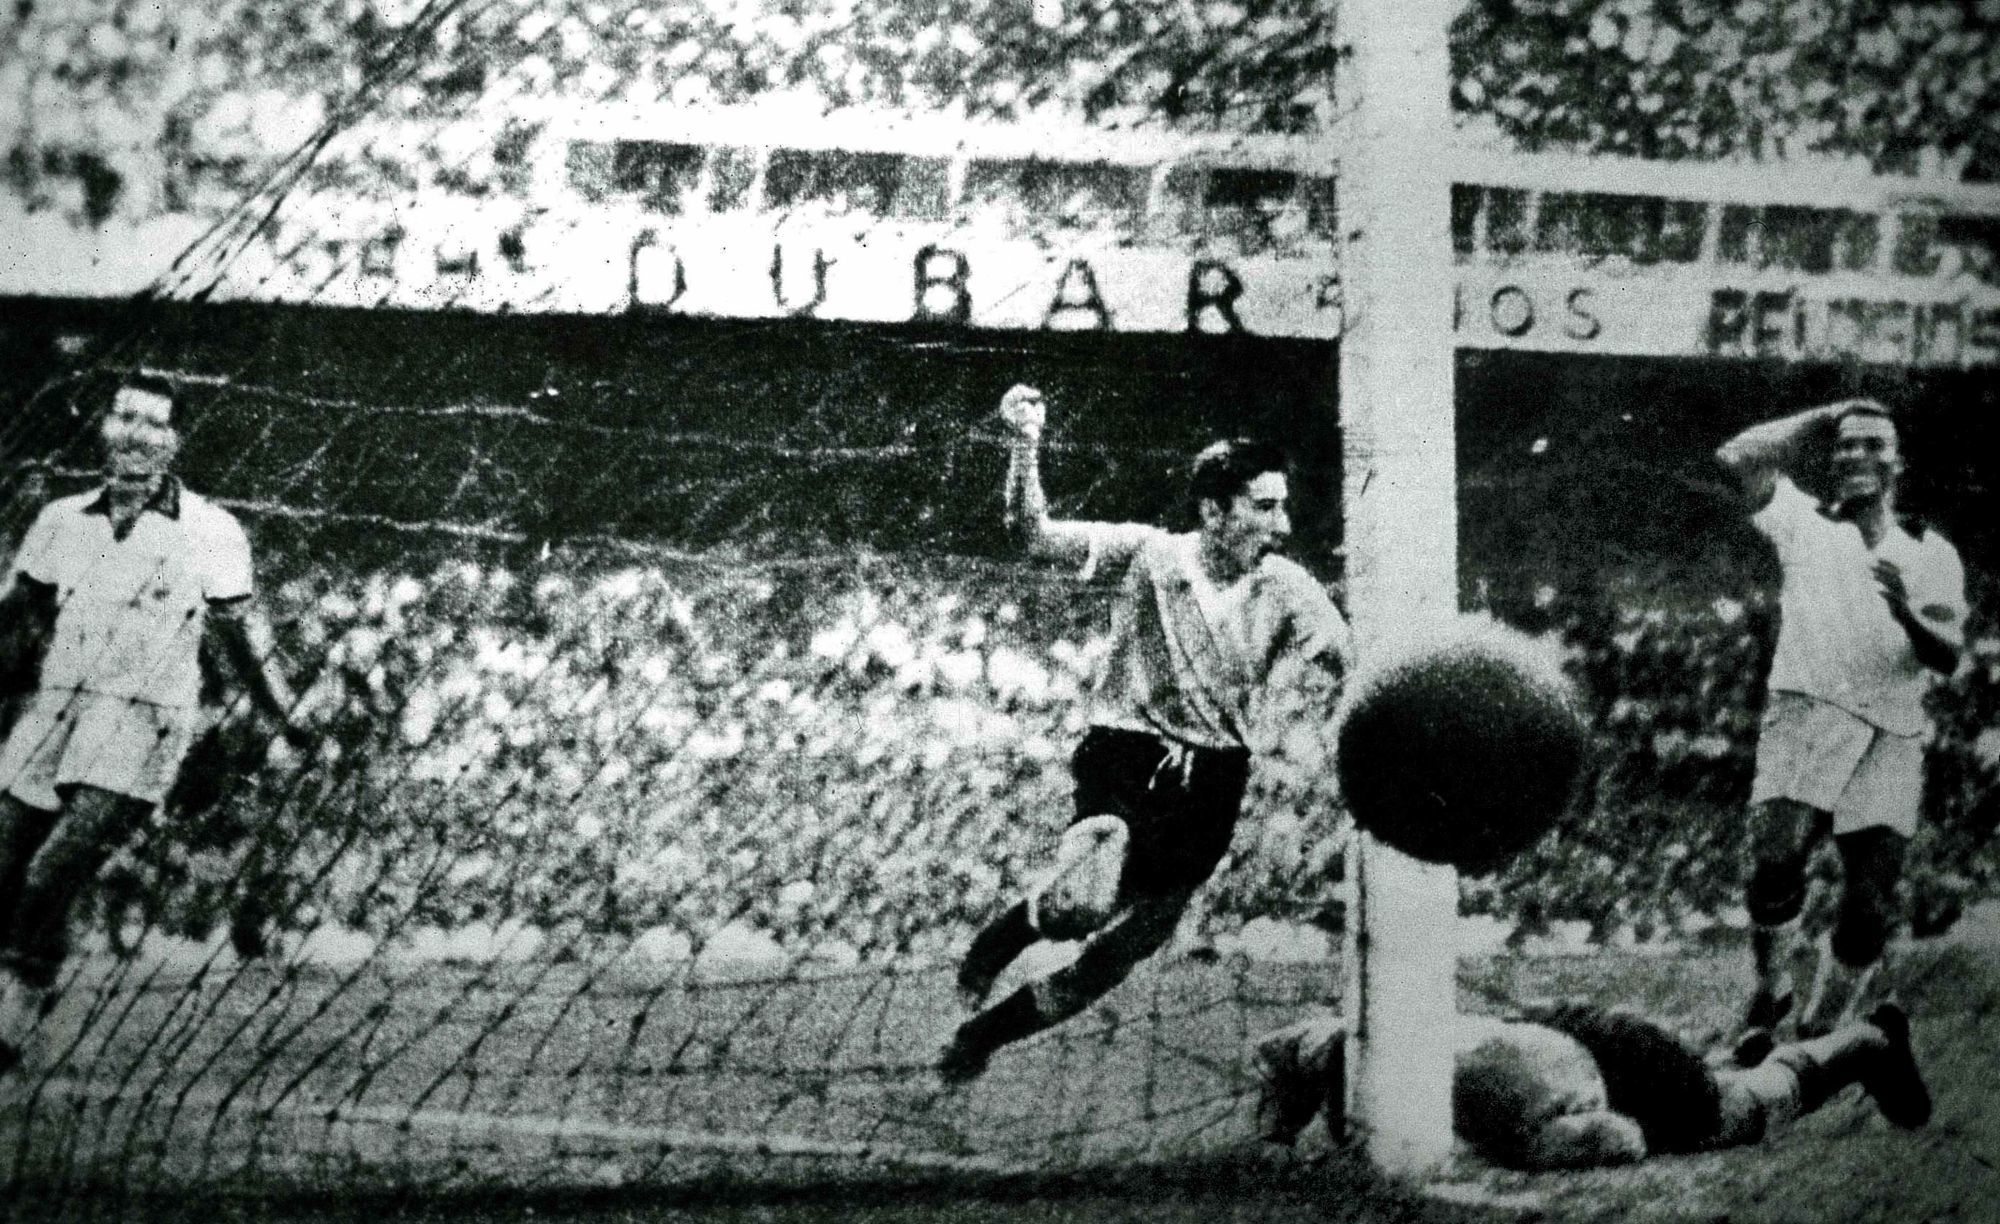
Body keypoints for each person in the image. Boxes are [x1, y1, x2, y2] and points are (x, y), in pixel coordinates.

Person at [938, 384, 1352, 1084]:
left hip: (1217, 779)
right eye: (1264, 507)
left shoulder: (1286, 585)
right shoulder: (1150, 556)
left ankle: (984, 1034)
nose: (1281, 525)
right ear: (1214, 510)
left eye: (1284, 506)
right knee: (1082, 903)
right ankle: (999, 943)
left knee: (1120, 953)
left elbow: (1344, 655)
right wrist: (1024, 444)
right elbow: (1034, 535)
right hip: (1129, 754)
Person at [0, 378, 307, 1072]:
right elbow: (18, 608)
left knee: (54, 868)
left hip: (142, 721)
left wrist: (279, 714)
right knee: (5, 860)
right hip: (57, 708)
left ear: (174, 441)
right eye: (127, 417)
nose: (138, 433)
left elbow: (241, 632)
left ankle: (14, 1012)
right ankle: (29, 983)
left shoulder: (210, 530)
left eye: (155, 424)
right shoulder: (60, 519)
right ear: (105, 427)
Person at [1713, 399, 1966, 1050]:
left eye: (1873, 445)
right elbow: (1738, 455)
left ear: (1897, 463)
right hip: (1809, 706)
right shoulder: (1804, 522)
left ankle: (1821, 1026)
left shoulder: (1932, 551)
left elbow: (1946, 656)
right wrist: (1830, 413)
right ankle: (1771, 991)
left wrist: (1905, 612)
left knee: (1869, 908)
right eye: (1845, 446)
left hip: (1889, 727)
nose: (1856, 455)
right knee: (1776, 857)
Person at [1253, 1000, 1931, 1169]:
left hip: (1609, 1071)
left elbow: (1624, 1140)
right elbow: (1288, 1054)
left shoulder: (1511, 1116)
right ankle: (1731, 1060)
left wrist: (1513, 1155)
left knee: (1744, 1108)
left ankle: (1867, 1041)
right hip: (1559, 1028)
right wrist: (1276, 1140)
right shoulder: (1362, 1034)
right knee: (1723, 1085)